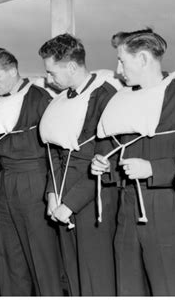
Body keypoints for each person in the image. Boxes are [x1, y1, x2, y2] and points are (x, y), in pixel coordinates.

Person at [90, 29, 175, 296]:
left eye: (122, 61)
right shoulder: (121, 99)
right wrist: (104, 166)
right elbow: (113, 148)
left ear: (143, 59)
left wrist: (154, 169)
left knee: (172, 287)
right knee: (128, 285)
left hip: (168, 206)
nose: (118, 69)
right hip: (127, 204)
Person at [38, 33, 119, 296]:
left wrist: (69, 204)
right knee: (72, 274)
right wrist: (52, 194)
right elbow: (56, 153)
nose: (49, 79)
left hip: (92, 196)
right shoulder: (62, 98)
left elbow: (106, 158)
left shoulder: (104, 97)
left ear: (72, 66)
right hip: (62, 195)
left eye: (52, 72)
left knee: (95, 275)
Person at [0, 48, 63, 296]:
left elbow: (55, 151)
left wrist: (52, 191)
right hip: (5, 179)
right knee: (8, 255)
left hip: (34, 179)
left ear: (13, 71)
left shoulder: (38, 98)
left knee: (41, 256)